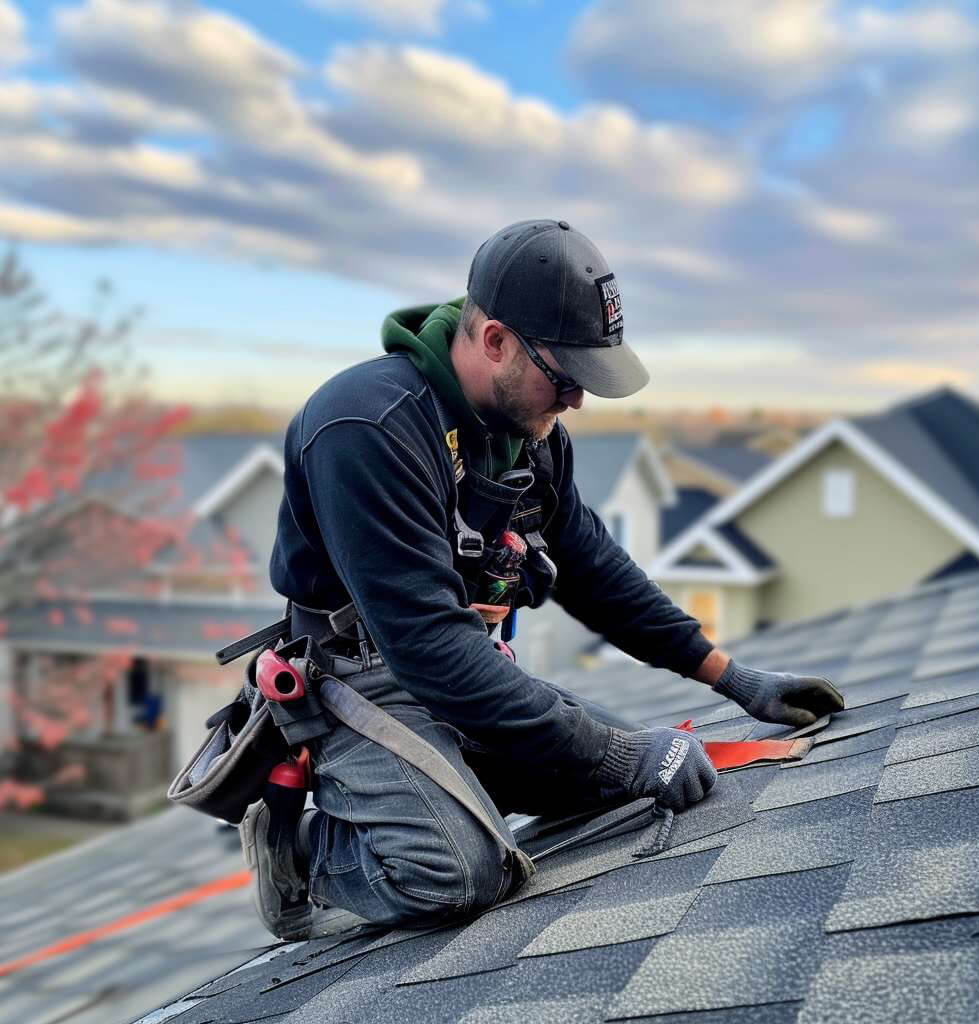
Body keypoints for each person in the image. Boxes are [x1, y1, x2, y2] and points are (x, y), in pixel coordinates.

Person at [244, 219, 844, 940]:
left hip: (464, 672)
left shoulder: (524, 434)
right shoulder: (366, 428)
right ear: (495, 340)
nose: (577, 403)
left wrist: (732, 677)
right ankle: (307, 848)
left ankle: (449, 786)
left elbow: (592, 566)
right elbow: (428, 646)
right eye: (565, 379)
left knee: (629, 781)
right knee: (457, 872)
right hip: (361, 685)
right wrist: (619, 749)